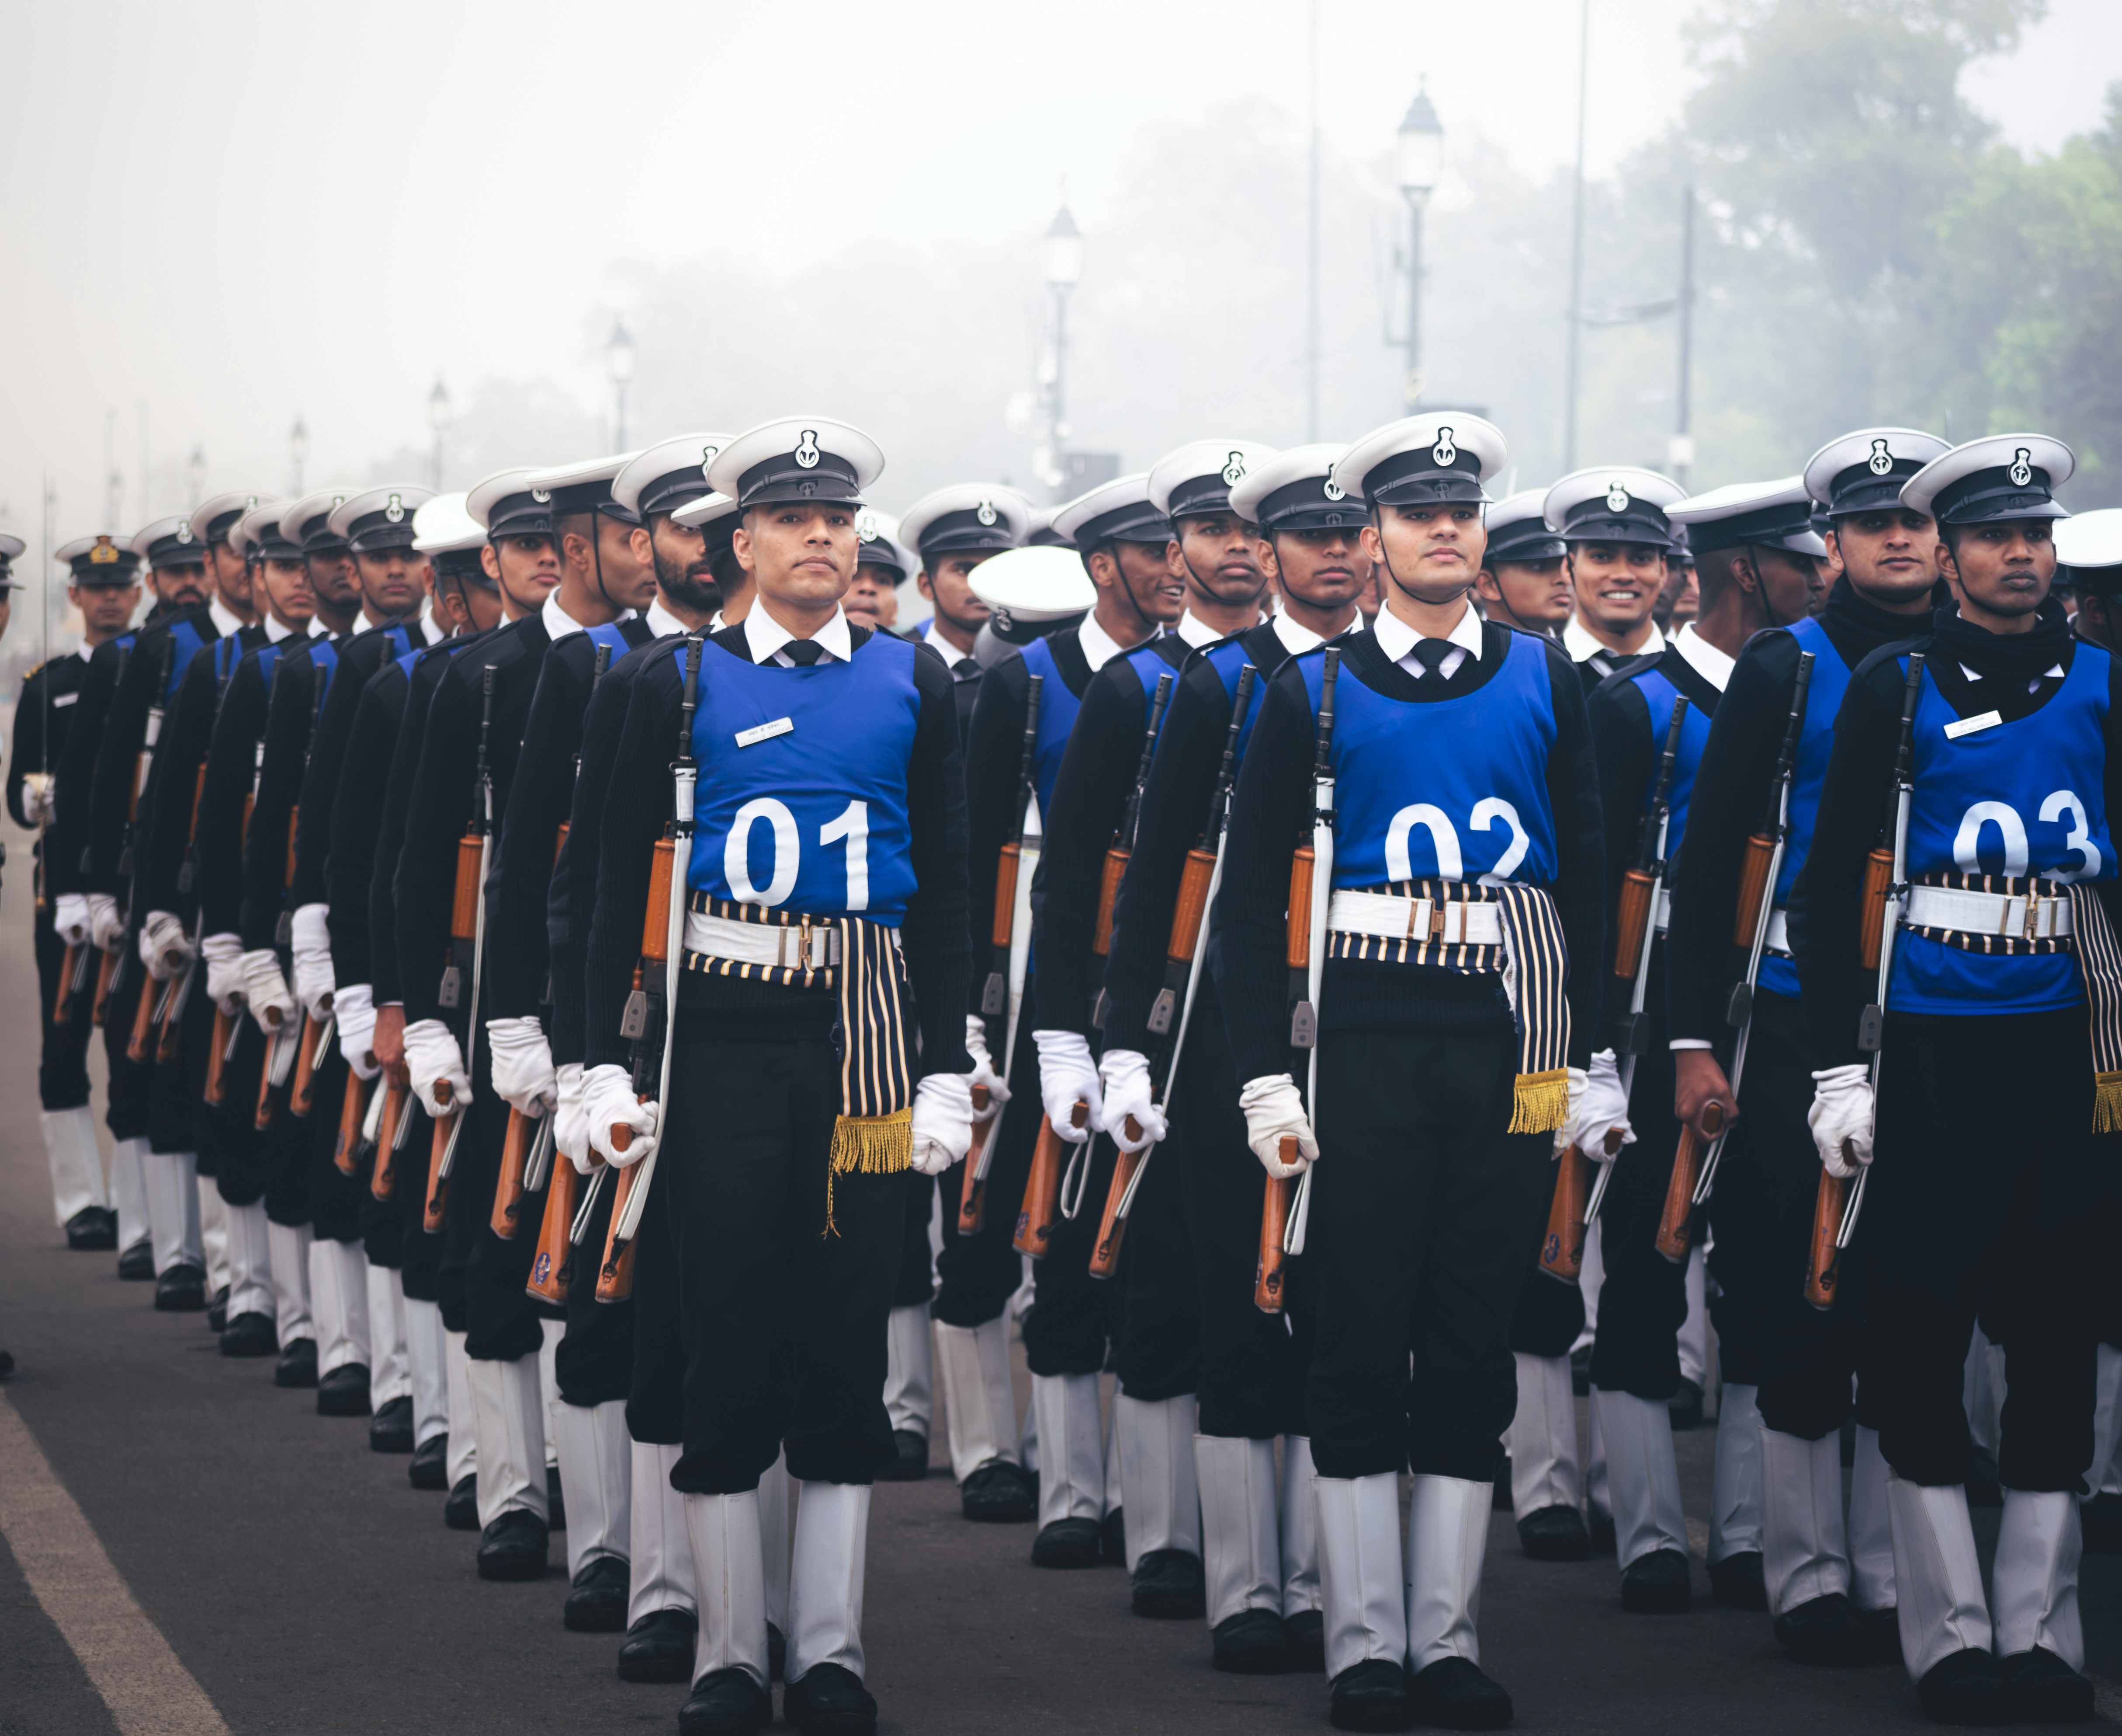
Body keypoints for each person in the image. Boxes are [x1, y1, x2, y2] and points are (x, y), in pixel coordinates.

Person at [579, 416, 975, 1736]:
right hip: (722, 1035)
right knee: (724, 1323)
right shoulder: (668, 684)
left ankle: (832, 1648)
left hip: (861, 1036)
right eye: (792, 519)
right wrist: (598, 1061)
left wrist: (941, 1065)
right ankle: (725, 1651)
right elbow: (601, 889)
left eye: (839, 519)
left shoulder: (912, 677)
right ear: (734, 541)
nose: (822, 538)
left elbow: (953, 892)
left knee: (845, 1327)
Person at [1219, 413, 1603, 1731]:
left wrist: (1592, 1058)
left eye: (1461, 511)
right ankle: (1362, 1638)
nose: (1444, 529)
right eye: (1414, 513)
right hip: (1364, 1045)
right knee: (1354, 1326)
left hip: (1507, 1045)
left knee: (1465, 1335)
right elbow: (1242, 911)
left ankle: (1445, 1638)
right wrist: (1265, 1074)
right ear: (1370, 540)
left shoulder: (1549, 680)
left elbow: (1593, 879)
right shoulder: (1305, 694)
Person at [1789, 432, 2108, 1725]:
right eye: (1994, 539)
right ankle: (1948, 1631)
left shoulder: (2104, 687)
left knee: (2054, 1333)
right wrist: (1834, 1071)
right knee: (1913, 1335)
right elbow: (1824, 897)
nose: (2019, 556)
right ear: (1954, 559)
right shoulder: (1894, 688)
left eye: (2035, 536)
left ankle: (2039, 1627)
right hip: (1923, 1049)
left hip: (2066, 1056)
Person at [1664, 428, 1950, 1667]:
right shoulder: (1784, 666)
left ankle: (1893, 1566)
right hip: (1785, 1010)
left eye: (1917, 520)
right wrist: (1689, 1039)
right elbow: (1710, 849)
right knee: (1795, 1280)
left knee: (1911, 1292)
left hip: (1939, 1016)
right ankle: (1805, 1564)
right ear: (1825, 542)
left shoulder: (1975, 658)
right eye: (1870, 520)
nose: (1899, 538)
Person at [1090, 441, 1368, 1671]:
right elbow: (1157, 888)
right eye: (1298, 536)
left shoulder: (1388, 679)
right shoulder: (1216, 686)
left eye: (1342, 534)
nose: (1324, 555)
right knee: (1235, 1297)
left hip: (1360, 1031)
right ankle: (1244, 1580)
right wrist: (1124, 1042)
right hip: (1223, 1034)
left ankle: (1326, 1579)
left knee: (1337, 1303)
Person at [1023, 439, 1274, 1607]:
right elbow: (1074, 880)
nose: (1234, 548)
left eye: (1249, 527)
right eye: (1212, 529)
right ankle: (1170, 1531)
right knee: (1163, 1272)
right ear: (1174, 551)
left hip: (1280, 1014)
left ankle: (1289, 1540)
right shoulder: (1137, 687)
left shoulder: (1311, 675)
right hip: (1160, 1019)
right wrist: (1073, 1034)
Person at [1571, 476, 1824, 1620]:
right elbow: (1590, 886)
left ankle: (1744, 1531)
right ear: (1742, 572)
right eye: (1802, 562)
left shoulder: (1814, 689)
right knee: (1641, 1275)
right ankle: (1648, 1533)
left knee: (1764, 1276)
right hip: (1648, 1020)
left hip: (1764, 1016)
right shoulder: (1636, 704)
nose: (1821, 579)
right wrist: (1593, 1050)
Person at [395, 461, 621, 1582]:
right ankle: (511, 1486)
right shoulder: (479, 677)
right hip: (496, 994)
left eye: (555, 539)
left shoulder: (642, 666)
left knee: (593, 1253)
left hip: (602, 995)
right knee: (495, 1242)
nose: (542, 556)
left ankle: (599, 1491)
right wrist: (421, 1008)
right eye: (525, 543)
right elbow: (420, 848)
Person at [549, 437, 735, 1682]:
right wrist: (565, 1045)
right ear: (642, 540)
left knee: (721, 1317)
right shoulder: (601, 672)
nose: (708, 543)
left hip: (744, 1021)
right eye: (684, 526)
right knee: (621, 1306)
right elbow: (573, 883)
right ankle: (627, 1558)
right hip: (633, 1023)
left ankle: (717, 1583)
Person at [479, 448, 660, 1626]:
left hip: (668, 1006)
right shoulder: (515, 671)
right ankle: (540, 1501)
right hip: (564, 1007)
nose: (643, 552)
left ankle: (652, 1539)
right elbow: (526, 867)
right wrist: (514, 1019)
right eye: (627, 533)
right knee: (542, 1268)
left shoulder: (655, 667)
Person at [241, 484, 436, 1433]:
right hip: (350, 936)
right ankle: (361, 1353)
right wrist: (304, 939)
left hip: (419, 946)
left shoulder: (451, 662)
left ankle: (403, 1370)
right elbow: (314, 819)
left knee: (410, 1168)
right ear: (352, 569)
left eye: (412, 553)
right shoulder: (345, 667)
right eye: (380, 556)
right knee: (348, 1155)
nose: (398, 569)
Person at [331, 493, 509, 1517]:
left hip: (521, 993)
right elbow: (378, 860)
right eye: (481, 582)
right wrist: (388, 999)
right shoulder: (411, 693)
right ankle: (450, 1425)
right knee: (443, 1211)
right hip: (441, 986)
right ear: (450, 595)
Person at [870, 482, 1030, 1484]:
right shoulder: (904, 679)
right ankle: (896, 1404)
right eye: (959, 567)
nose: (977, 585)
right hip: (902, 957)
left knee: (984, 1208)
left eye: (991, 564)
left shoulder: (1032, 677)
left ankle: (986, 1448)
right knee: (900, 1197)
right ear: (926, 581)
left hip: (1010, 957)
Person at [114, 493, 266, 1327]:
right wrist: (156, 910)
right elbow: (166, 795)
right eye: (239, 557)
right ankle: (209, 1261)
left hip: (264, 895)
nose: (247, 572)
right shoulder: (199, 659)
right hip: (208, 895)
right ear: (218, 567)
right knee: (201, 1078)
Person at [191, 501, 329, 1386]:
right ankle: (249, 1288)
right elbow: (214, 817)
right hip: (261, 909)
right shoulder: (241, 669)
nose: (286, 581)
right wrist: (223, 933)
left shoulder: (337, 665)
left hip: (311, 912)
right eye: (275, 567)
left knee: (310, 1124)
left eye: (299, 566)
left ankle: (312, 1313)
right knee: (248, 1106)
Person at [19, 534, 144, 1255]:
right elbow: (17, 797)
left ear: (137, 591)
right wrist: (39, 796)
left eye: (121, 585)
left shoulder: (150, 671)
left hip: (128, 886)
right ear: (75, 596)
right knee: (65, 1043)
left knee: (130, 1045)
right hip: (62, 891)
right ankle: (80, 1198)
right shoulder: (49, 683)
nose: (109, 597)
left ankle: (133, 1199)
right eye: (96, 587)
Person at [1552, 468, 1684, 684]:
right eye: (1602, 557)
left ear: (1663, 571)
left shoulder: (1696, 675)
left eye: (1641, 559)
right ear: (1569, 568)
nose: (1623, 575)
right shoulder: (1536, 674)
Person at [1471, 490, 1572, 643]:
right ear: (1488, 585)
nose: (1563, 580)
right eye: (1539, 567)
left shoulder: (1584, 662)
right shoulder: (1462, 663)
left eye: (1565, 567)